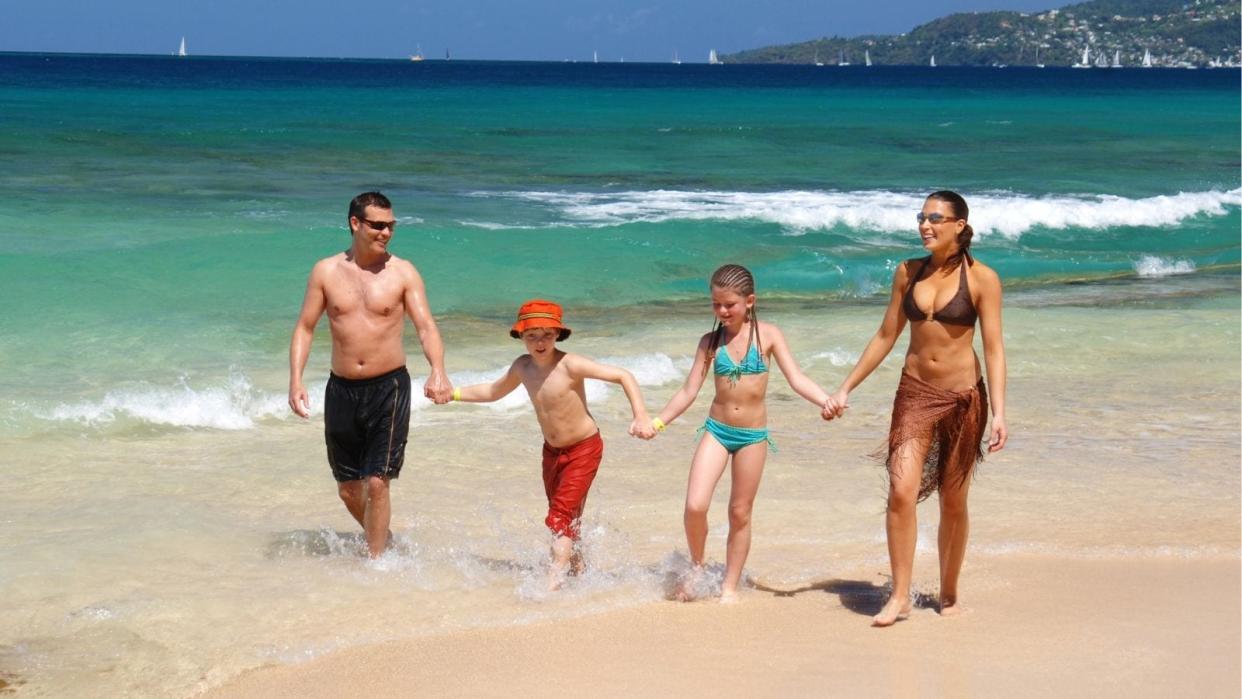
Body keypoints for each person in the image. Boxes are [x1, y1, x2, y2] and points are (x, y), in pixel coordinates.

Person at [824, 190, 1008, 626]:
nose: (925, 225)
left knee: (953, 501)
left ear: (959, 226)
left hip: (964, 399)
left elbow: (995, 349)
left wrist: (999, 411)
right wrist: (845, 387)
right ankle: (900, 595)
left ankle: (948, 592)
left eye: (935, 218)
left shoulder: (983, 279)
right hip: (914, 393)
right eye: (921, 217)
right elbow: (886, 335)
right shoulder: (907, 272)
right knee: (901, 492)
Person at [652, 264, 835, 603]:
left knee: (739, 511)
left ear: (749, 301)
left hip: (752, 436)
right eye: (716, 304)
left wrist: (826, 400)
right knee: (695, 505)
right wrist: (657, 423)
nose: (722, 311)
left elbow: (797, 379)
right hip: (717, 431)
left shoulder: (769, 335)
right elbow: (688, 391)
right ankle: (697, 565)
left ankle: (729, 587)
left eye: (729, 304)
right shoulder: (710, 342)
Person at [288, 191, 452, 559]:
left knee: (377, 482)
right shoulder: (325, 272)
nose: (386, 233)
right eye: (378, 225)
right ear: (355, 223)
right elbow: (305, 328)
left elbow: (426, 326)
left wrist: (438, 371)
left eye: (391, 226)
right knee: (349, 489)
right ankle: (385, 539)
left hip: (388, 387)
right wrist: (296, 380)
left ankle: (376, 565)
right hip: (341, 389)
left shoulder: (403, 272)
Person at [450, 300, 655, 589]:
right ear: (520, 336)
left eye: (547, 334)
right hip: (552, 452)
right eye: (531, 335)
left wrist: (641, 415)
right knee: (569, 516)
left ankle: (552, 581)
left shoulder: (570, 364)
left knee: (559, 515)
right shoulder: (522, 367)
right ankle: (580, 571)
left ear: (558, 334)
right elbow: (493, 391)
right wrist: (453, 393)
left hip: (584, 448)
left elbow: (623, 375)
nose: (540, 341)